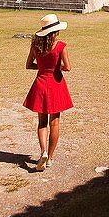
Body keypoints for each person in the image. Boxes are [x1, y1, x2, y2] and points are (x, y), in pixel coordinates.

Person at [23, 14, 73, 171]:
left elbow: (28, 65)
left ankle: (43, 151)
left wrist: (43, 68)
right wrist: (55, 68)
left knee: (42, 122)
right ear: (56, 31)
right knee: (55, 122)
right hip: (56, 84)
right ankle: (50, 157)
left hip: (40, 83)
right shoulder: (60, 46)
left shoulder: (36, 46)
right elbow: (68, 67)